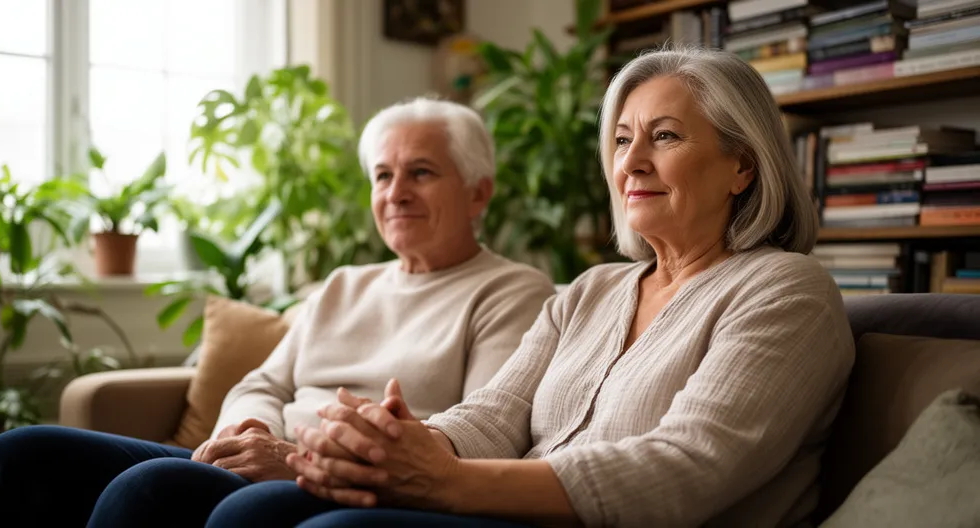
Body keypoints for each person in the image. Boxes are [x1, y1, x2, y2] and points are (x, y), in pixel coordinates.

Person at [213, 47, 857, 527]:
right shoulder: (592, 290)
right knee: (166, 492)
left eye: (664, 137)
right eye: (623, 139)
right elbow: (495, 413)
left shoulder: (785, 291)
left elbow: (686, 467)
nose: (630, 162)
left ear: (742, 164)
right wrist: (406, 446)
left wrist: (440, 482)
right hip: (497, 515)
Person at [0, 98, 556, 528]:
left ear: (479, 191)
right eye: (382, 175)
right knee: (15, 456)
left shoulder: (512, 292)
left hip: (357, 480)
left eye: (420, 173)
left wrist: (297, 460)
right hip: (265, 452)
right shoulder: (343, 285)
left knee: (151, 491)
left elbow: (478, 438)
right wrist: (255, 432)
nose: (395, 191)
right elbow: (262, 382)